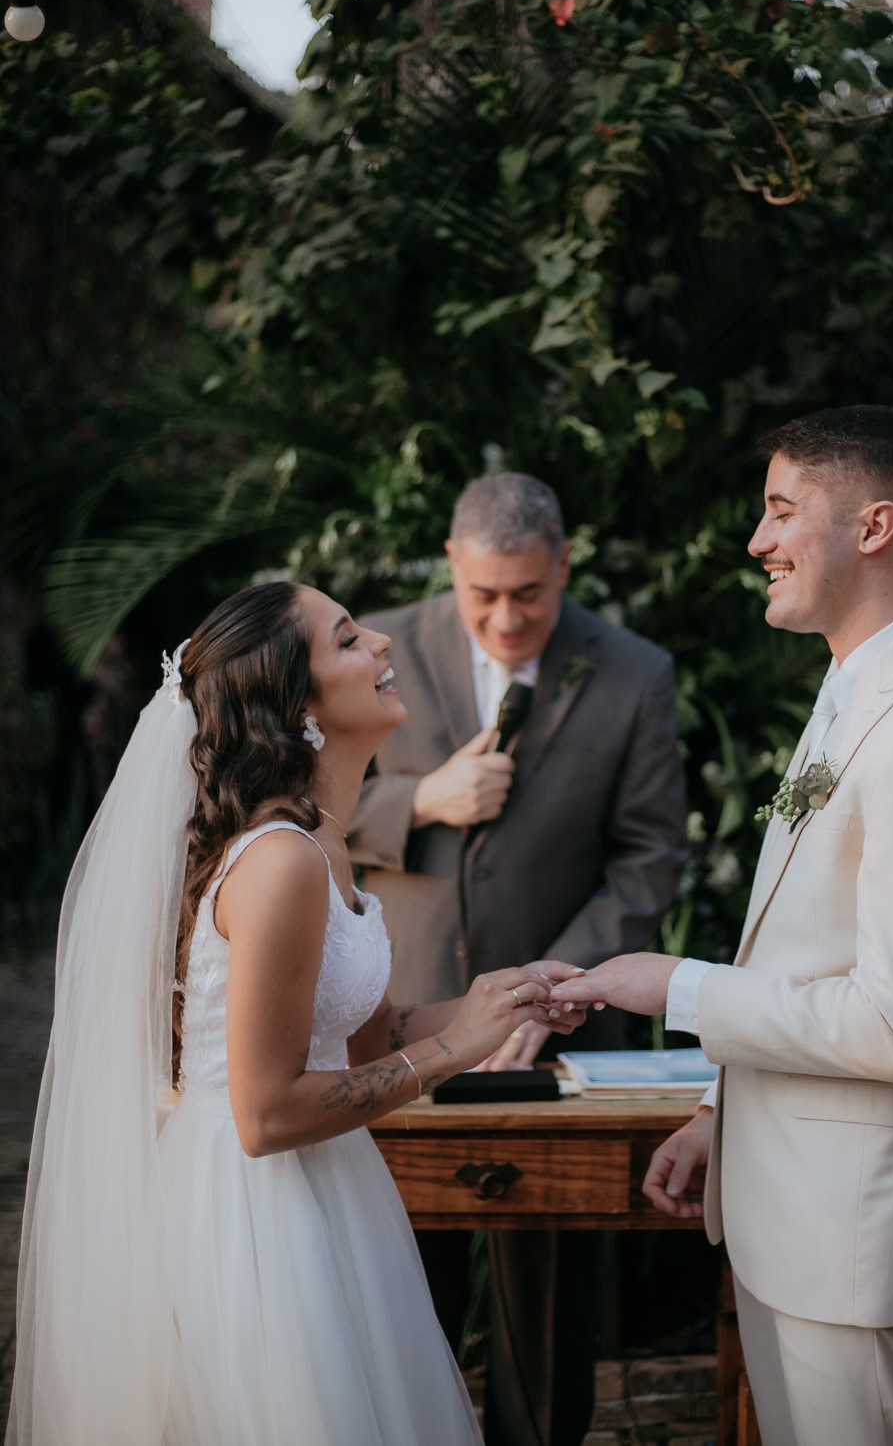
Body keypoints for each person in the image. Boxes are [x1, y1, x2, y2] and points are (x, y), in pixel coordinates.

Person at [551, 406, 893, 1446]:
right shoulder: (856, 682)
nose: (756, 541)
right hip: (799, 1209)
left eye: (781, 511)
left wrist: (674, 988)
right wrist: (729, 1118)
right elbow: (816, 950)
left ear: (873, 527)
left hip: (861, 1237)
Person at [7, 579, 585, 1446]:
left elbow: (367, 1037)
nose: (383, 646)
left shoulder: (320, 840)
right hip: (253, 1215)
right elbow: (265, 1113)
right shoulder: (278, 863)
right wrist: (453, 1052)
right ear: (297, 702)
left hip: (330, 1190)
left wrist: (492, 1003)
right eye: (350, 640)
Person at [348, 471, 687, 1446]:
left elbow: (649, 856)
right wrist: (418, 801)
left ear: (564, 565)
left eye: (529, 595)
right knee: (398, 1278)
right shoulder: (374, 647)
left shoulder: (633, 671)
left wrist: (548, 991)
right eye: (483, 594)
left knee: (547, 1303)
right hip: (394, 1020)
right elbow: (301, 808)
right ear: (451, 565)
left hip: (560, 1034)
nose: (505, 619)